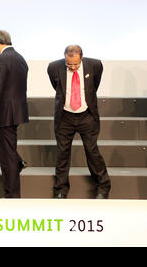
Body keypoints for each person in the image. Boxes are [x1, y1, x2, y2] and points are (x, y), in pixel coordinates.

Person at [47, 45, 111, 199]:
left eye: (76, 64)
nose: (73, 67)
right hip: (65, 116)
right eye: (69, 64)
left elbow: (93, 87)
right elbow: (57, 87)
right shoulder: (54, 67)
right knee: (62, 153)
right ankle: (61, 190)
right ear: (65, 58)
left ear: (81, 57)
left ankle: (103, 187)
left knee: (92, 151)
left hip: (86, 115)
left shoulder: (95, 65)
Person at [0, 30, 29, 198]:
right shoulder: (20, 58)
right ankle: (17, 160)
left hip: (5, 113)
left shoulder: (1, 59)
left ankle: (12, 195)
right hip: (16, 111)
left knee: (7, 158)